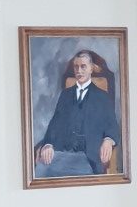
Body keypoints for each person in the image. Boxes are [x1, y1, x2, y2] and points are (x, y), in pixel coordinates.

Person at [35, 50, 120, 178]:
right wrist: (48, 144)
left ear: (91, 68)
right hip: (61, 153)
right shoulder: (65, 95)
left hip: (88, 157)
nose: (79, 71)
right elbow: (54, 124)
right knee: (41, 170)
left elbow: (112, 127)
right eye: (76, 67)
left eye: (83, 66)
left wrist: (108, 140)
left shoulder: (102, 97)